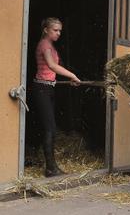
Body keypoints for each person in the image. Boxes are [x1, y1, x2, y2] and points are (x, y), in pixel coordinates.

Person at [32, 17, 81, 177]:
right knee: (50, 129)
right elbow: (52, 65)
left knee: (51, 129)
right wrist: (72, 75)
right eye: (55, 30)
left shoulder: (50, 45)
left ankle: (51, 166)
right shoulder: (45, 45)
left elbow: (50, 72)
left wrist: (68, 80)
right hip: (42, 89)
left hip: (48, 87)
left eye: (60, 30)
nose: (59, 33)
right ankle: (50, 168)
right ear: (46, 30)